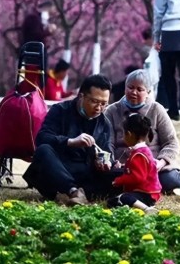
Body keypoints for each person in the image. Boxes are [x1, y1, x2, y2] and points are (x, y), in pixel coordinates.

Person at [23, 74, 115, 205]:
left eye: (104, 104)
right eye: (94, 101)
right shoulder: (60, 110)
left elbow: (107, 150)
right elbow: (42, 138)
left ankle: (80, 192)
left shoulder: (104, 122)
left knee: (120, 173)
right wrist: (71, 142)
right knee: (43, 150)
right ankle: (73, 192)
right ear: (81, 96)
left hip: (87, 172)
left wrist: (106, 162)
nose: (99, 108)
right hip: (59, 168)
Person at [105, 69, 180, 192]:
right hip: (123, 166)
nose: (134, 92)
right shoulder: (111, 110)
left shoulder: (157, 109)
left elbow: (172, 143)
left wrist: (160, 163)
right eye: (130, 87)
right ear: (125, 88)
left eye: (139, 89)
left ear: (148, 92)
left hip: (152, 166)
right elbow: (107, 142)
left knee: (173, 182)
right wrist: (111, 161)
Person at [107, 113, 162, 213]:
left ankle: (147, 209)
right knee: (112, 202)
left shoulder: (139, 154)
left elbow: (138, 177)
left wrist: (120, 180)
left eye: (124, 134)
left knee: (124, 198)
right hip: (149, 192)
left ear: (129, 134)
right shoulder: (143, 150)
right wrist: (123, 166)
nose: (123, 138)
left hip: (146, 193)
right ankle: (133, 206)